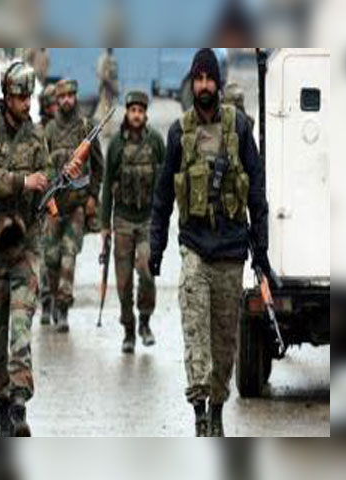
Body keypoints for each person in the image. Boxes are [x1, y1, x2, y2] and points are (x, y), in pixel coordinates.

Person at [149, 49, 272, 436]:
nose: (204, 86)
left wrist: (261, 252)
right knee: (195, 334)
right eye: (198, 78)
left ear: (218, 83)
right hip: (195, 251)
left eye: (209, 79)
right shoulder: (179, 132)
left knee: (223, 344)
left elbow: (257, 192)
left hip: (231, 254)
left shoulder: (239, 129)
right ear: (192, 83)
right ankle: (200, 414)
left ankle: (217, 413)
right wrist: (156, 247)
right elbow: (162, 196)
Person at [0, 61, 50, 436]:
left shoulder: (36, 136)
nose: (26, 103)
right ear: (6, 96)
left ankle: (19, 405)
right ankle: (3, 402)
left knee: (21, 325)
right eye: (20, 97)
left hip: (26, 248)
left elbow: (46, 178)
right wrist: (23, 181)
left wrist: (50, 188)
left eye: (29, 97)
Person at [100, 90, 165, 354]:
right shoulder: (116, 144)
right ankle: (128, 329)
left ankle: (145, 321)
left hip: (148, 220)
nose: (136, 115)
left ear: (145, 114)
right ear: (127, 113)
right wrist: (104, 226)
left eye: (140, 111)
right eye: (132, 110)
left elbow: (165, 181)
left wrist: (163, 219)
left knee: (147, 271)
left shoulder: (156, 141)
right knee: (123, 282)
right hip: (123, 220)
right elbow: (107, 185)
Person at [41, 78, 103, 332]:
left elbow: (98, 166)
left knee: (68, 255)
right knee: (51, 258)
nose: (67, 100)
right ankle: (48, 298)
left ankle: (63, 308)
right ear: (57, 100)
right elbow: (39, 166)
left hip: (76, 206)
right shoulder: (48, 131)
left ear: (76, 97)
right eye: (62, 96)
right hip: (53, 207)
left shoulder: (85, 128)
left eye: (70, 95)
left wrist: (92, 196)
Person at [94, 48, 119, 137]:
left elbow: (114, 74)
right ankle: (105, 131)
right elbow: (102, 75)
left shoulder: (112, 59)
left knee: (109, 109)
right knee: (105, 110)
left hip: (111, 87)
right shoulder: (103, 59)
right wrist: (109, 85)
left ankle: (109, 130)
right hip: (106, 88)